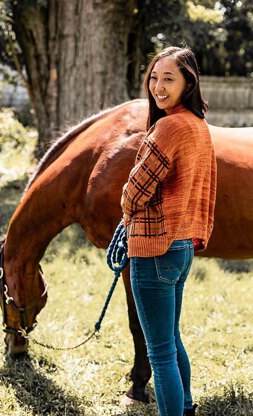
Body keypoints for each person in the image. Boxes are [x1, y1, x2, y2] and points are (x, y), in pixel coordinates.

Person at [121, 46, 217, 416]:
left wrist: (127, 208)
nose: (158, 87)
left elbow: (134, 194)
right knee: (171, 340)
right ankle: (187, 407)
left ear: (188, 82)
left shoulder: (169, 127)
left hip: (153, 250)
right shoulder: (198, 125)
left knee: (159, 354)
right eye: (154, 77)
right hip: (182, 248)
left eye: (169, 79)